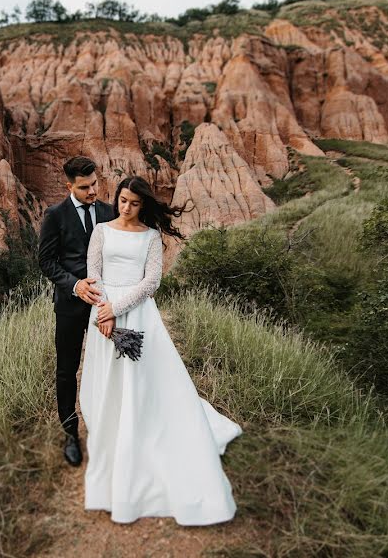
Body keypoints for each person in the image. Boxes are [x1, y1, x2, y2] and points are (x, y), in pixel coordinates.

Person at [79, 175, 243, 525]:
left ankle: (141, 435)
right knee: (108, 378)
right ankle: (111, 431)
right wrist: (102, 312)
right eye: (122, 200)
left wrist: (117, 309)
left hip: (137, 315)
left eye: (134, 203)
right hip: (103, 315)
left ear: (144, 205)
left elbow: (151, 282)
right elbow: (94, 274)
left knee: (142, 380)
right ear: (117, 199)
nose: (126, 208)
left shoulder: (151, 237)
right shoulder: (102, 231)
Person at [38, 156, 117, 466]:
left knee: (109, 365)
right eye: (85, 187)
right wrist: (74, 285)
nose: (92, 191)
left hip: (104, 304)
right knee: (66, 370)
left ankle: (108, 426)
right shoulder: (54, 215)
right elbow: (46, 261)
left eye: (94, 184)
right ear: (69, 185)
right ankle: (71, 433)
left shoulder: (109, 212)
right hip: (70, 305)